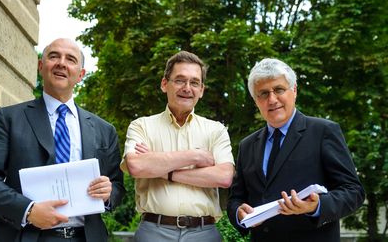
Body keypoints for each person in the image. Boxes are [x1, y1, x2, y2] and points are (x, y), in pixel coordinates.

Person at [0, 38, 125, 242]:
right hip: (25, 236)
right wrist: (28, 210)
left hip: (85, 237)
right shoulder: (9, 118)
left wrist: (108, 193)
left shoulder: (104, 130)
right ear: (41, 67)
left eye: (70, 59)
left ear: (80, 75)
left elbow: (117, 187)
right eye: (54, 56)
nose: (61, 62)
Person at [227, 58, 365, 242]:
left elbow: (353, 191)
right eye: (263, 93)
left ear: (294, 91)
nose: (272, 99)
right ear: (255, 100)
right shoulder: (247, 145)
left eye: (279, 89)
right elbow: (236, 198)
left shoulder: (323, 131)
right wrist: (238, 213)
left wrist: (316, 206)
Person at [120, 51, 235, 241]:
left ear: (202, 90)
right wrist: (195, 156)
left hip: (203, 233)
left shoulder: (216, 130)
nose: (187, 88)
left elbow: (223, 177)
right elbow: (136, 166)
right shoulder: (141, 126)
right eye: (180, 80)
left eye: (194, 82)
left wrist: (164, 170)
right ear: (164, 84)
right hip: (153, 231)